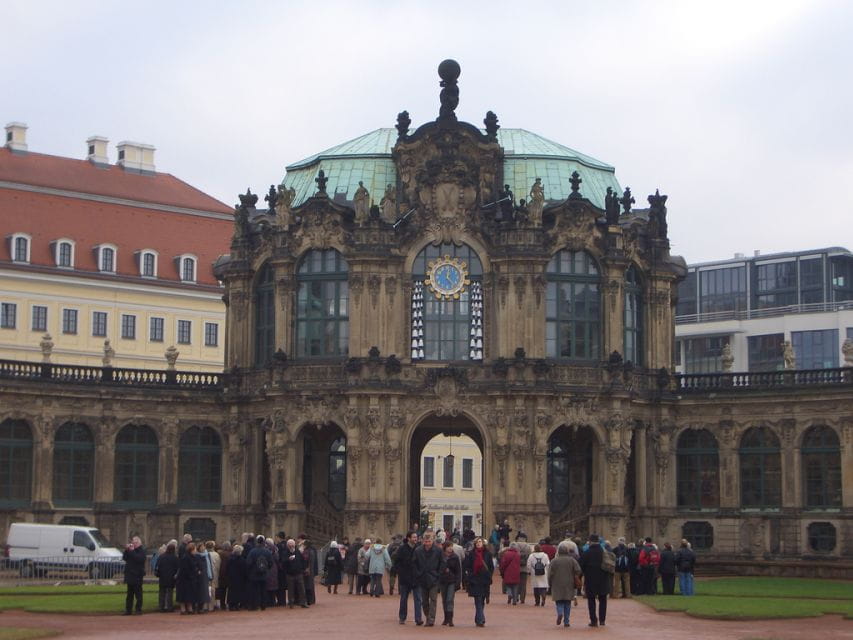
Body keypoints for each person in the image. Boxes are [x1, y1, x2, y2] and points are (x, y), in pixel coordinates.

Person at [548, 541, 583, 627]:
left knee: (559, 601)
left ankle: (560, 612)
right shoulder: (572, 560)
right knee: (567, 602)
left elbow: (550, 574)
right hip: (569, 583)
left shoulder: (554, 561)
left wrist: (550, 583)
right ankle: (566, 621)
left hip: (557, 583)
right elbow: (578, 570)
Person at [580, 534, 610, 627]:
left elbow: (582, 567)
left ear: (590, 541)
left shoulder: (587, 552)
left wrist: (580, 577)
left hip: (590, 579)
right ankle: (602, 620)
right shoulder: (604, 552)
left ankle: (593, 620)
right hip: (603, 579)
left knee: (591, 600)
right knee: (603, 600)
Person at [462, 537, 494, 627]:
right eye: (477, 542)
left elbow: (491, 567)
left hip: (484, 580)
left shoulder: (487, 554)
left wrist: (489, 575)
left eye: (480, 542)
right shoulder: (471, 554)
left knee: (482, 600)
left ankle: (478, 618)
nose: (478, 543)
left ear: (483, 543)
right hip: (475, 579)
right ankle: (481, 619)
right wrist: (470, 575)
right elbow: (467, 566)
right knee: (478, 600)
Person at [413, 532, 443, 626]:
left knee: (433, 599)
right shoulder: (418, 550)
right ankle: (428, 615)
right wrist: (418, 573)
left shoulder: (438, 550)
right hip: (422, 578)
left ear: (432, 541)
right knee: (424, 601)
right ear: (422, 541)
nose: (427, 543)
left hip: (434, 578)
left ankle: (431, 619)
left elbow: (443, 563)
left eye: (429, 541)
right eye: (426, 541)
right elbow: (414, 563)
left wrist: (438, 574)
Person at [394, 530, 422, 625]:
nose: (415, 539)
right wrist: (400, 572)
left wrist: (419, 573)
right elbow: (396, 562)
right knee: (404, 598)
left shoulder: (419, 549)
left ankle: (418, 618)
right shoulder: (402, 549)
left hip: (416, 577)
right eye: (414, 537)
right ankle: (402, 617)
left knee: (418, 599)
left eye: (416, 537)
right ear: (408, 538)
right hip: (405, 577)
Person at [122, 535, 146, 615]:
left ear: (139, 543)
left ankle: (138, 609)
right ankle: (128, 610)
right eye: (132, 542)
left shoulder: (141, 551)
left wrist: (132, 551)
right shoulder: (131, 550)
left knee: (138, 594)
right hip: (130, 575)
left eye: (135, 543)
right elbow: (125, 558)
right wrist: (126, 550)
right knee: (129, 594)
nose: (133, 544)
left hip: (137, 576)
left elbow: (139, 559)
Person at [438, 541, 461, 626]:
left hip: (452, 580)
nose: (450, 548)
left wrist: (458, 582)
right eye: (449, 547)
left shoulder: (455, 557)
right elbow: (438, 567)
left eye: (451, 546)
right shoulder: (441, 556)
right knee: (444, 600)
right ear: (445, 548)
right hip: (443, 580)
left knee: (449, 599)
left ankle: (450, 619)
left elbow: (458, 571)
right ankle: (446, 618)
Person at [176, 541, 201, 614]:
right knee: (184, 594)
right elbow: (186, 569)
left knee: (190, 595)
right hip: (184, 579)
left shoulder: (193, 557)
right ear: (191, 550)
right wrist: (195, 572)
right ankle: (183, 609)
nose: (196, 550)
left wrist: (197, 571)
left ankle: (189, 608)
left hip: (191, 579)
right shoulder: (185, 557)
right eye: (195, 549)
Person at [282, 538, 308, 608]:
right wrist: (288, 560)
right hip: (290, 574)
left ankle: (303, 602)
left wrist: (303, 568)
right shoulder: (285, 553)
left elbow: (302, 560)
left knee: (302, 589)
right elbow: (283, 563)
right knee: (291, 590)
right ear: (287, 546)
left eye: (292, 545)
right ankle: (291, 603)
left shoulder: (298, 552)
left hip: (298, 573)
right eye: (290, 546)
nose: (291, 547)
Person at [155, 542, 179, 612]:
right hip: (171, 577)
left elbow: (157, 566)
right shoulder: (175, 558)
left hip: (162, 577)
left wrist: (158, 574)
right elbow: (178, 567)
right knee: (170, 593)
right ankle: (169, 607)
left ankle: (161, 607)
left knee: (162, 593)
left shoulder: (161, 557)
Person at [226, 544, 246, 611]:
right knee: (238, 592)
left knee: (231, 591)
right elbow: (243, 569)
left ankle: (231, 605)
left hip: (231, 577)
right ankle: (236, 605)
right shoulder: (242, 560)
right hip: (239, 578)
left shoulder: (230, 558)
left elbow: (227, 568)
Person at [516, 532, 531, 604]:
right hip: (524, 567)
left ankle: (516, 597)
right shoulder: (528, 546)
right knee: (523, 584)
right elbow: (529, 557)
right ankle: (522, 598)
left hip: (516, 567)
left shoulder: (515, 545)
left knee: (516, 583)